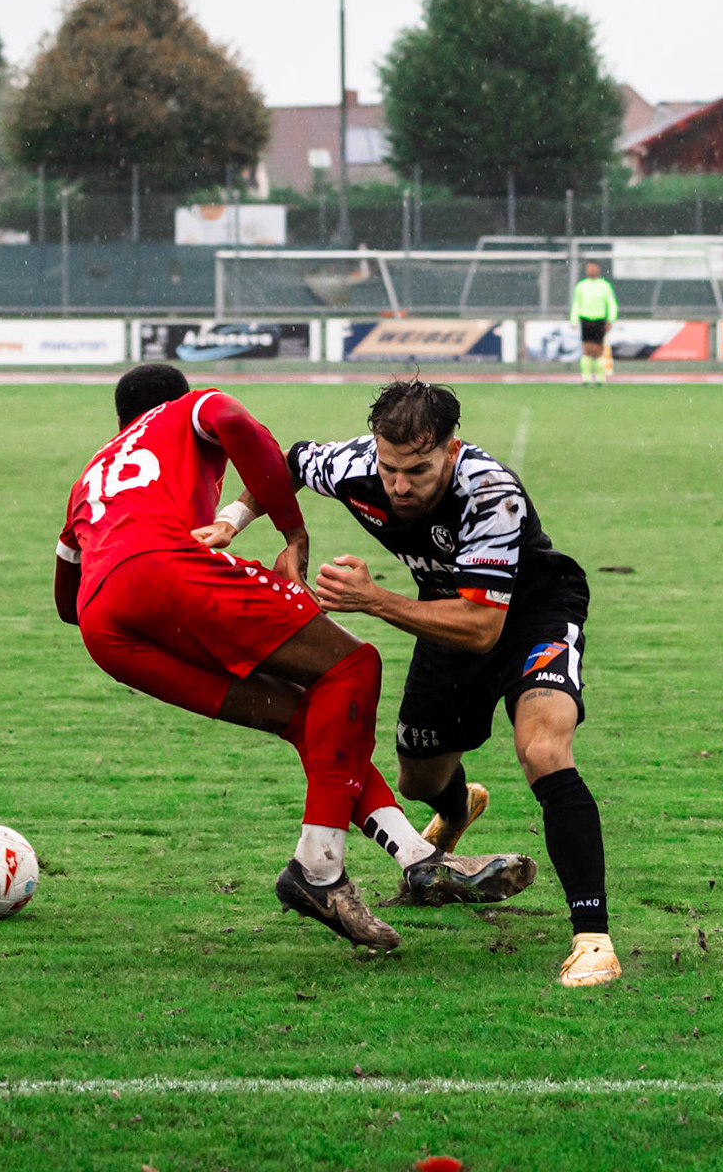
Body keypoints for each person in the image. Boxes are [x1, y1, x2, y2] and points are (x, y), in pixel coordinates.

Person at [53, 363, 535, 954]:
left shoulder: (92, 475)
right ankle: (319, 869)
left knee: (310, 716)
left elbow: (66, 601)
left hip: (107, 628)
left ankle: (418, 859)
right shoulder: (187, 409)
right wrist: (292, 531)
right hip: (165, 573)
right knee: (353, 666)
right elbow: (234, 420)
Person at [197, 380, 620, 988]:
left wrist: (371, 599)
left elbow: (483, 628)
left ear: (452, 450)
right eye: (390, 468)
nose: (399, 485)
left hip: (531, 617)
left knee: (543, 749)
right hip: (449, 613)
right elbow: (285, 461)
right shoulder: (358, 466)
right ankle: (457, 809)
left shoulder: (491, 493)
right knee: (417, 776)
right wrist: (233, 520)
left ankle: (592, 937)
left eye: (418, 469)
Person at [570, 259, 618, 385]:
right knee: (586, 349)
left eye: (593, 268)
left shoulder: (604, 286)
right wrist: (574, 319)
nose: (591, 270)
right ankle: (586, 378)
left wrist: (611, 319)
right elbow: (576, 304)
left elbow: (611, 303)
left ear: (597, 269)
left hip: (599, 320)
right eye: (589, 268)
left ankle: (600, 378)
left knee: (598, 350)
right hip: (585, 319)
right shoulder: (581, 286)